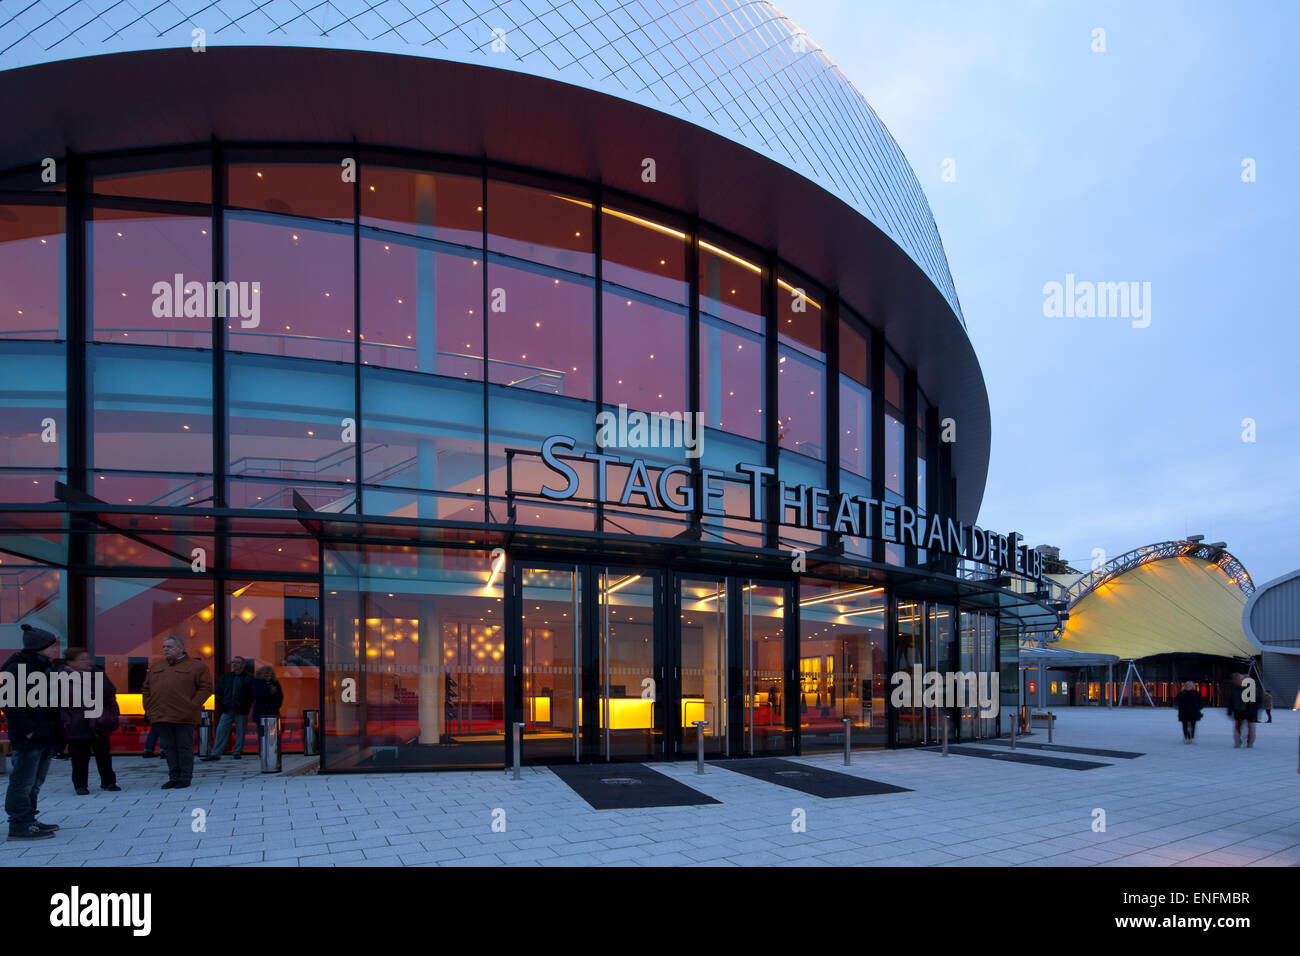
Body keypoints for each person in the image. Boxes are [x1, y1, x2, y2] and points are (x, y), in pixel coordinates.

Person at [3, 624, 63, 841]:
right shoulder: (17, 669)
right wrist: (28, 731)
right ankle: (18, 824)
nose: (55, 650)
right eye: (51, 646)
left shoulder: (40, 668)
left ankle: (29, 819)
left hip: (44, 732)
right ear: (40, 647)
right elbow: (10, 704)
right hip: (30, 735)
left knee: (35, 781)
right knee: (23, 780)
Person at [141, 635, 213, 790]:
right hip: (161, 714)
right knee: (168, 747)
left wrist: (192, 705)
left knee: (183, 747)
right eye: (164, 647)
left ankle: (185, 777)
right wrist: (149, 707)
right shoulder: (157, 667)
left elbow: (205, 688)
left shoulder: (196, 667)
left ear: (181, 648)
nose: (166, 649)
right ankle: (173, 776)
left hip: (184, 715)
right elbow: (146, 688)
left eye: (170, 647)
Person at [59, 648, 121, 794]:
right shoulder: (61, 678)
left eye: (87, 658)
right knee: (79, 756)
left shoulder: (98, 673)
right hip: (76, 722)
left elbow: (110, 693)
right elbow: (57, 702)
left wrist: (112, 711)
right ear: (70, 662)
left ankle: (109, 782)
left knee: (103, 754)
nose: (87, 661)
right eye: (82, 659)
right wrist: (66, 719)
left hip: (99, 720)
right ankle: (80, 785)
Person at [201, 656, 254, 762]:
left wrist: (245, 703)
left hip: (241, 708)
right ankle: (216, 753)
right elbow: (218, 690)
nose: (235, 664)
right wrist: (223, 701)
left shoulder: (249, 678)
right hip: (227, 708)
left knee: (240, 730)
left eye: (238, 662)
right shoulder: (226, 677)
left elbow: (252, 694)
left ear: (243, 664)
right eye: (233, 662)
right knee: (221, 730)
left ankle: (237, 751)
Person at [1226, 673, 1261, 749]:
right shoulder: (1236, 689)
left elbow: (1257, 701)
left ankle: (1249, 743)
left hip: (1249, 712)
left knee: (1251, 728)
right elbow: (1231, 700)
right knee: (1238, 727)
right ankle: (1238, 742)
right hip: (1239, 711)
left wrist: (1255, 709)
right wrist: (1230, 710)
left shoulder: (1252, 689)